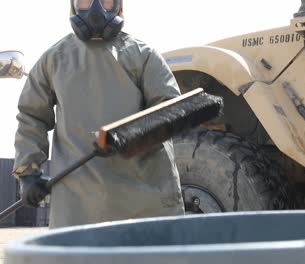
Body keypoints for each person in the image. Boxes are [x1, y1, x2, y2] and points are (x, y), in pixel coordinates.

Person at [13, 0, 185, 228]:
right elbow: (31, 116)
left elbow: (172, 110)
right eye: (85, 0)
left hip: (144, 202)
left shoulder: (142, 55)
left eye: (105, 0)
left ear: (118, 6)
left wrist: (129, 137)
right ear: (74, 6)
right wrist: (28, 173)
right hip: (77, 207)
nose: (95, 9)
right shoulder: (53, 60)